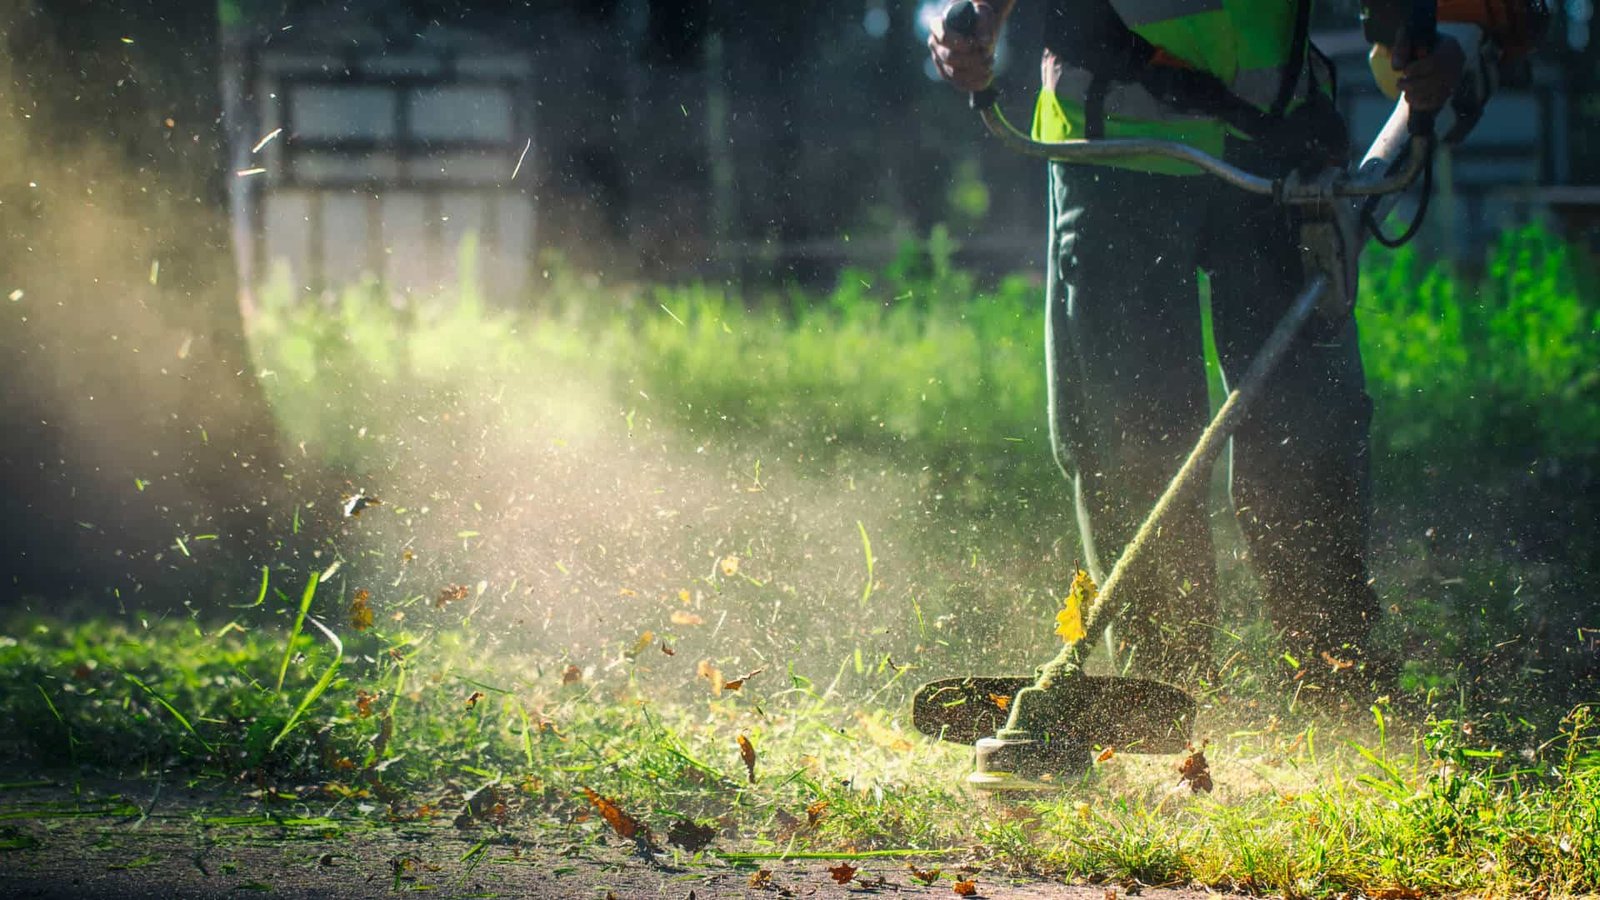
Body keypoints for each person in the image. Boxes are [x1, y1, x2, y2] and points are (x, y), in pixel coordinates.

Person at [929, 0, 1464, 682]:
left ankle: (1336, 672)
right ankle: (1158, 692)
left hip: (1276, 144)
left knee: (1303, 429)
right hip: (1113, 142)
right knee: (1130, 438)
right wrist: (979, 16)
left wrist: (1430, 40)